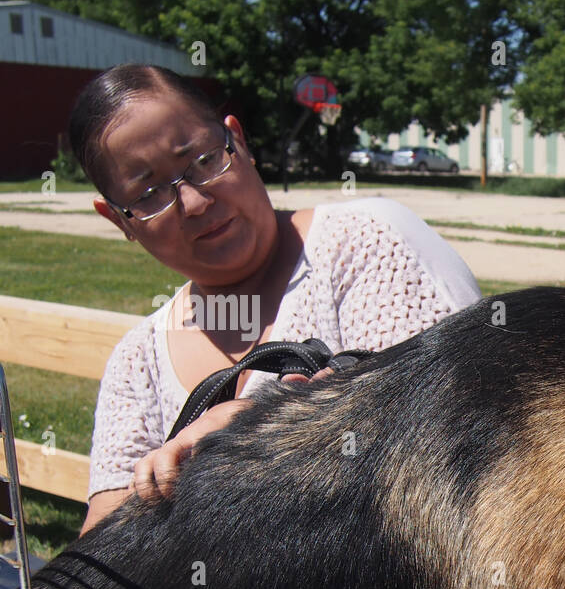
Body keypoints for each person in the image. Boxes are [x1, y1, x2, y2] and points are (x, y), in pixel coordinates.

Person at [73, 65, 481, 533]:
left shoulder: (368, 241)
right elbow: (102, 543)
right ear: (118, 220)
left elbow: (451, 438)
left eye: (204, 161)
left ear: (238, 141)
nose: (195, 202)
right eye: (148, 194)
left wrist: (256, 432)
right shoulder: (136, 360)